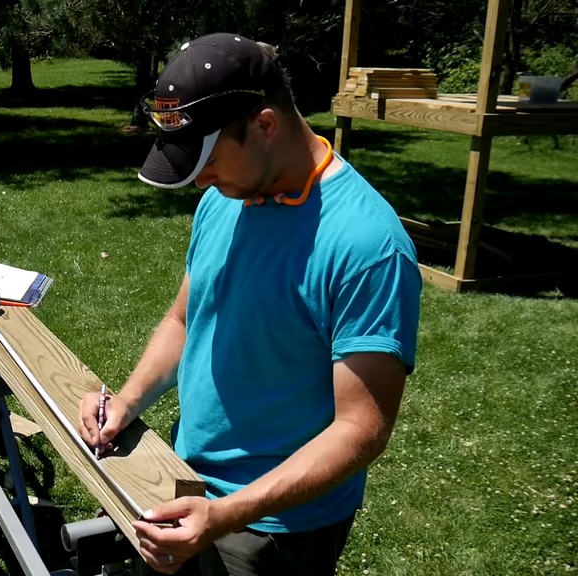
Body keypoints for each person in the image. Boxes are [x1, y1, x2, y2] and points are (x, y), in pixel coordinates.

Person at [77, 32, 421, 576]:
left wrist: (224, 514)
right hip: (185, 479)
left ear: (264, 125)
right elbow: (185, 318)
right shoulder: (224, 200)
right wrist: (128, 400)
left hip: (273, 527)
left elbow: (362, 429)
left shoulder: (365, 245)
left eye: (209, 160)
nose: (201, 182)